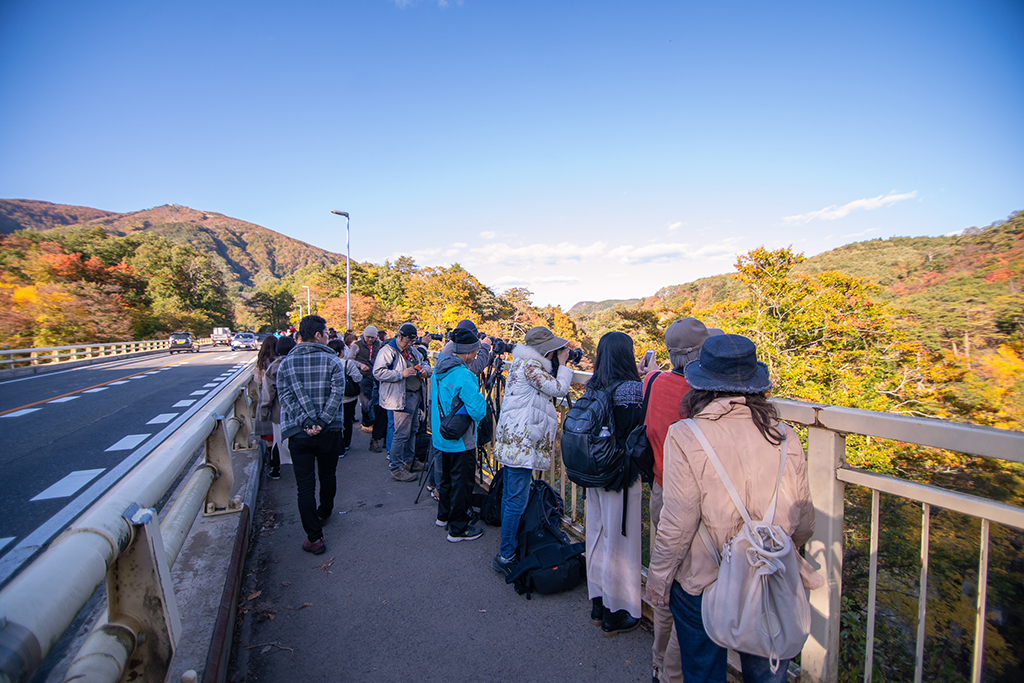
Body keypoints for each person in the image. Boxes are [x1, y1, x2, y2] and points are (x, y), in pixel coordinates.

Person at [645, 334, 820, 683]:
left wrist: (659, 578)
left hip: (705, 579)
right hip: (768, 573)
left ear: (700, 384)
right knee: (766, 671)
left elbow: (677, 523)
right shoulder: (785, 436)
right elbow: (804, 520)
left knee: (703, 670)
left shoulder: (687, 434)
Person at [641, 319, 711, 682]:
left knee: (664, 577)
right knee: (692, 589)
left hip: (660, 490)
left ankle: (657, 660)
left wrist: (649, 372)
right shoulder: (705, 397)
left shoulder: (653, 383)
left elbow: (652, 385)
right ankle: (674, 671)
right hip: (698, 502)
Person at [490, 326, 574, 577]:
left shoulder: (522, 363)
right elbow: (559, 389)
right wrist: (564, 364)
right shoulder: (530, 367)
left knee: (511, 497)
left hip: (515, 440)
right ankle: (506, 555)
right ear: (544, 349)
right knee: (516, 499)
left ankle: (509, 547)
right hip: (521, 443)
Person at [583, 331, 645, 637]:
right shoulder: (634, 389)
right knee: (621, 541)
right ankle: (616, 611)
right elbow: (634, 429)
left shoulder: (594, 384)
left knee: (596, 534)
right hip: (621, 474)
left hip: (593, 472)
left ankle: (597, 603)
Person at [276, 315, 347, 555]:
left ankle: (314, 538)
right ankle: (324, 513)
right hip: (329, 430)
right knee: (328, 475)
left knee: (304, 485)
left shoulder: (286, 363)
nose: (328, 337)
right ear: (317, 335)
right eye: (326, 333)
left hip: (299, 432)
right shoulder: (332, 361)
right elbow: (337, 394)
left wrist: (306, 422)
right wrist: (322, 421)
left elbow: (285, 396)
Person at [430, 328, 488, 541]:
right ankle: (458, 528)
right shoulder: (464, 375)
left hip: (440, 435)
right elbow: (478, 410)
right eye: (475, 351)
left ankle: (443, 517)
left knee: (446, 480)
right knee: (462, 484)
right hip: (461, 441)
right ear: (470, 352)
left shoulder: (439, 369)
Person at [426, 319, 493, 499]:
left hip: (439, 413)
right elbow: (475, 371)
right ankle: (455, 517)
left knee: (441, 455)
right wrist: (486, 348)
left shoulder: (445, 358)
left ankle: (438, 492)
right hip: (455, 425)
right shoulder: (460, 368)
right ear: (468, 350)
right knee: (458, 478)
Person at [373, 322, 432, 482]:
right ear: (399, 336)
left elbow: (425, 362)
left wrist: (425, 371)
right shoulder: (388, 351)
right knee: (401, 433)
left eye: (412, 342)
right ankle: (396, 467)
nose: (409, 344)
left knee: (412, 429)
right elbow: (378, 372)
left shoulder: (412, 351)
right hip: (400, 397)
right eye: (407, 341)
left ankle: (409, 460)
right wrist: (401, 374)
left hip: (414, 395)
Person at [258, 335, 296, 480]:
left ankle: (276, 469)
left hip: (279, 411)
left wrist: (263, 412)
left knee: (278, 441)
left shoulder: (274, 366)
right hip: (300, 411)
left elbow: (268, 393)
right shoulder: (298, 363)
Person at [327, 339, 364, 456]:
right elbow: (358, 378)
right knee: (347, 421)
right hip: (349, 398)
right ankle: (346, 443)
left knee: (335, 422)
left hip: (332, 398)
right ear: (341, 351)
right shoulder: (347, 363)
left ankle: (338, 447)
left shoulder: (326, 363)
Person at [351, 326, 382, 446]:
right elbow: (349, 359)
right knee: (365, 400)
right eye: (368, 337)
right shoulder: (356, 345)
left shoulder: (379, 345)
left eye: (372, 337)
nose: (370, 339)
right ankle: (366, 422)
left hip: (375, 375)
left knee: (376, 401)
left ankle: (373, 422)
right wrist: (359, 365)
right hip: (362, 376)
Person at [254, 335, 278, 473]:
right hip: (280, 402)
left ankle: (274, 465)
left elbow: (257, 382)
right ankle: (280, 461)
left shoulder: (261, 364)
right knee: (279, 435)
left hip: (265, 399)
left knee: (269, 437)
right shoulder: (280, 361)